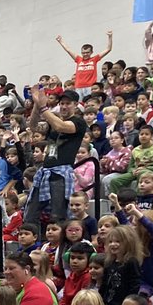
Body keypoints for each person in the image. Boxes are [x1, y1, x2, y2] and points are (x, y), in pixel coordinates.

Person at [25, 88, 88, 225]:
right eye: (62, 104)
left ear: (76, 105)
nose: (64, 106)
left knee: (57, 215)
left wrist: (43, 108)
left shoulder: (79, 122)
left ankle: (59, 244)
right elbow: (33, 126)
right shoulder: (53, 122)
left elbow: (61, 126)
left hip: (61, 173)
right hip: (45, 171)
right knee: (31, 213)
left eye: (68, 103)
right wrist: (37, 104)